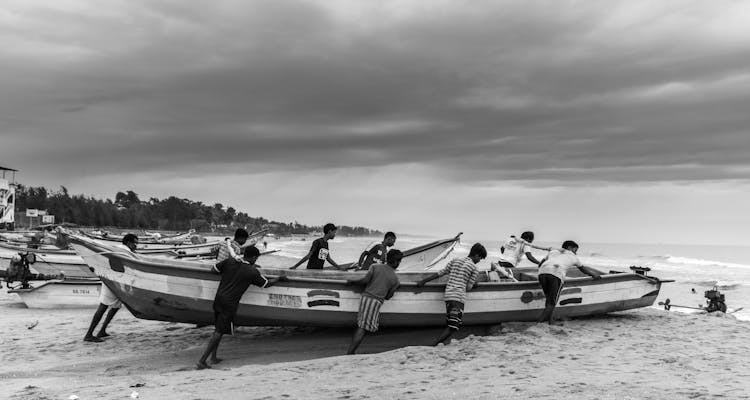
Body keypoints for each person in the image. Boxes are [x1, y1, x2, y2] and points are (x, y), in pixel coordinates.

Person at [197, 246, 284, 369]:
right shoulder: (252, 271)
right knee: (219, 331)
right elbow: (266, 284)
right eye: (256, 258)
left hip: (218, 299)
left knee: (218, 329)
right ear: (254, 257)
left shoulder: (230, 261)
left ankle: (213, 358)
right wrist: (279, 278)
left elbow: (213, 269)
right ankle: (202, 361)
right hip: (229, 304)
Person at [416, 243, 487, 346]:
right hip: (458, 298)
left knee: (450, 322)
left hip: (448, 296)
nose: (479, 261)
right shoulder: (474, 268)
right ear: (477, 255)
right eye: (480, 258)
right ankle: (435, 344)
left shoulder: (455, 260)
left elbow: (441, 272)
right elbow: (468, 288)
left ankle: (443, 342)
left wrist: (424, 281)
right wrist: (474, 284)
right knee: (453, 326)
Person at [345, 249, 403, 354]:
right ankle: (350, 352)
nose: (399, 263)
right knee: (362, 328)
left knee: (362, 325)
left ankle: (352, 351)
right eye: (399, 261)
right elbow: (388, 297)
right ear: (396, 262)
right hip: (375, 301)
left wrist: (352, 281)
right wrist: (395, 287)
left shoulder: (375, 267)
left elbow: (365, 281)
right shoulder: (395, 279)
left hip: (365, 298)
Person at [83, 233, 138, 343]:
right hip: (112, 281)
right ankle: (89, 334)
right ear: (128, 243)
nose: (136, 246)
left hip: (115, 281)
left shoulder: (119, 249)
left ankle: (102, 331)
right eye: (135, 243)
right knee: (103, 306)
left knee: (116, 306)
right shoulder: (124, 251)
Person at [536, 240, 601, 325]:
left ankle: (551, 322)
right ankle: (539, 323)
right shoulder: (573, 256)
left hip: (542, 273)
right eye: (575, 250)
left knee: (549, 299)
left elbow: (540, 264)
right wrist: (594, 275)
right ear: (569, 248)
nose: (576, 253)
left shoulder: (554, 251)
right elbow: (583, 269)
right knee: (552, 302)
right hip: (556, 274)